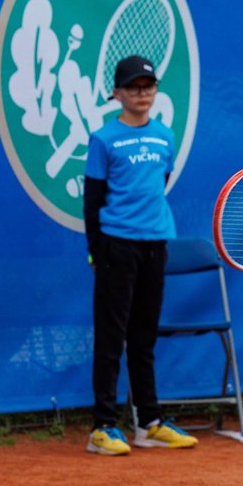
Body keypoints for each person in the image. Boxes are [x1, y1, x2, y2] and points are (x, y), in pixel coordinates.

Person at [82, 55, 198, 455]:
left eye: (148, 86)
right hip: (116, 245)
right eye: (133, 87)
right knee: (111, 338)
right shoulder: (103, 139)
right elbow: (93, 200)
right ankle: (102, 426)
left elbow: (158, 185)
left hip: (155, 243)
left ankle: (148, 423)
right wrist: (96, 251)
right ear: (117, 93)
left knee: (144, 337)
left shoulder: (164, 136)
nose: (142, 93)